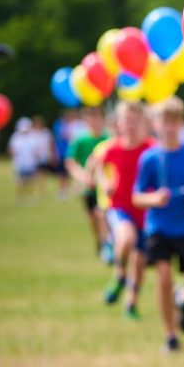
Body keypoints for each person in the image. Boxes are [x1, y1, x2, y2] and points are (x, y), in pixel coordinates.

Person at [132, 97, 184, 352]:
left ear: (182, 123)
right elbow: (137, 196)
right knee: (163, 278)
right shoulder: (149, 158)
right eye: (163, 121)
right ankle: (170, 335)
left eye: (174, 121)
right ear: (155, 124)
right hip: (159, 228)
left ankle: (183, 298)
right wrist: (154, 198)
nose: (169, 127)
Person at [86, 101, 154, 319]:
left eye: (135, 120)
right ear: (119, 123)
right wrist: (104, 182)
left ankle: (131, 304)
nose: (131, 125)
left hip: (145, 209)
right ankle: (120, 275)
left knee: (141, 262)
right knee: (126, 239)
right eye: (126, 120)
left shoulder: (151, 148)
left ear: (143, 122)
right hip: (119, 206)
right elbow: (96, 168)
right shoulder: (112, 148)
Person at [65, 107, 110, 259]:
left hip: (104, 185)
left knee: (101, 213)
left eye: (97, 118)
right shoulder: (80, 140)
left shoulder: (108, 139)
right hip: (88, 186)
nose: (94, 122)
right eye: (91, 118)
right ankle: (100, 239)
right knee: (92, 218)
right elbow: (71, 162)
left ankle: (107, 244)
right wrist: (83, 177)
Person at [8, 117, 39, 203]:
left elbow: (35, 150)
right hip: (19, 162)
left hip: (30, 162)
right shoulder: (15, 137)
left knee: (30, 180)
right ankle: (20, 196)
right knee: (20, 181)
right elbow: (11, 149)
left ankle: (29, 196)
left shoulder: (32, 137)